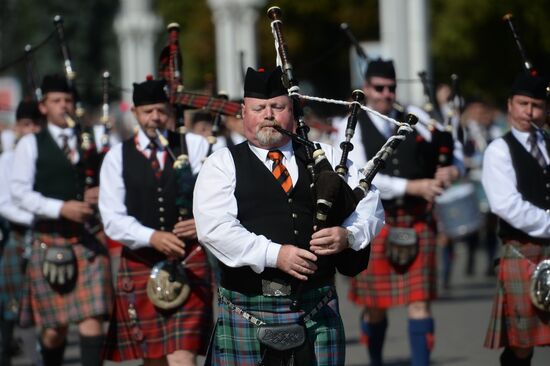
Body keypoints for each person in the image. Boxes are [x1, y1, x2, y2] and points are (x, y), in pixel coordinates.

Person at [193, 66, 385, 366]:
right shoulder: (222, 164)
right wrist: (275, 254)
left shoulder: (328, 156)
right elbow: (214, 229)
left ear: (293, 112)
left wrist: (348, 236)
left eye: (277, 107)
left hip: (316, 303)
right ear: (244, 112)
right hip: (248, 305)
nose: (268, 115)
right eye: (259, 108)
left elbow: (369, 204)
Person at [337, 59, 461, 366]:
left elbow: (453, 149)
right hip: (375, 222)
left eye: (391, 87)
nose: (386, 94)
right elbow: (362, 174)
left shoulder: (414, 116)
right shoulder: (350, 123)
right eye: (379, 88)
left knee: (420, 302)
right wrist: (414, 186)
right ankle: (376, 360)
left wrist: (452, 170)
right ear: (366, 89)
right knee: (375, 306)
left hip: (418, 219)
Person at [99, 78, 213, 366]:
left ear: (170, 112)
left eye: (161, 110)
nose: (155, 117)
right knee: (153, 359)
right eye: (148, 111)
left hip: (190, 260)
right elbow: (111, 218)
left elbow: (220, 197)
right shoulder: (117, 157)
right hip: (141, 261)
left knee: (183, 356)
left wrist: (203, 223)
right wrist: (152, 236)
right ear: (135, 113)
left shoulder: (196, 146)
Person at [9, 74, 113, 366]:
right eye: (56, 101)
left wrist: (99, 192)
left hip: (88, 237)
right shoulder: (31, 143)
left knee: (92, 319)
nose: (63, 106)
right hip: (50, 238)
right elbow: (19, 192)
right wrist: (60, 208)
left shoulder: (88, 141)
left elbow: (111, 181)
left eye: (68, 100)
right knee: (54, 329)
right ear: (43, 106)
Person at [483, 71, 550, 366]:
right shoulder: (499, 150)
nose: (530, 112)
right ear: (510, 104)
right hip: (523, 251)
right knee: (522, 344)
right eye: (523, 103)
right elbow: (506, 205)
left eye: (537, 105)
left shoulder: (548, 144)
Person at [0, 100, 42, 366]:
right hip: (16, 236)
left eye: (37, 125)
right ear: (17, 127)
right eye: (26, 125)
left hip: (47, 236)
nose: (31, 131)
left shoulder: (49, 155)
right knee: (12, 307)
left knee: (40, 309)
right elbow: (3, 202)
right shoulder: (7, 159)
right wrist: (38, 216)